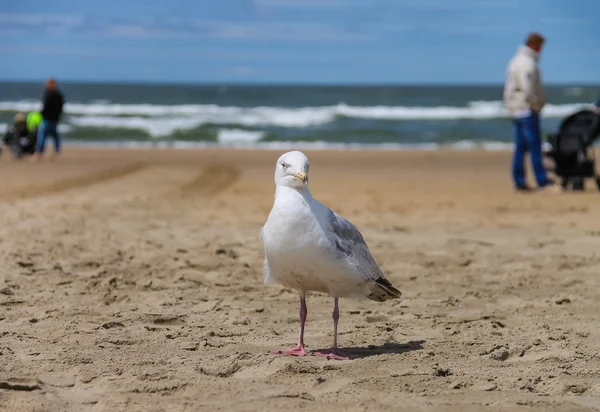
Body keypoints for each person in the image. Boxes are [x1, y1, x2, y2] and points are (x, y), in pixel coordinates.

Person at [503, 32, 556, 192]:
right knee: (535, 146)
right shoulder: (527, 63)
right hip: (526, 109)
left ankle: (519, 181)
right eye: (540, 47)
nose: (541, 51)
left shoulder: (515, 61)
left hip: (517, 110)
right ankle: (542, 181)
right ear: (534, 45)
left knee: (520, 147)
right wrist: (537, 104)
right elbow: (529, 88)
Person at [32, 77, 65, 162]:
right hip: (54, 118)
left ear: (52, 84)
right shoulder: (57, 94)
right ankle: (56, 151)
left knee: (42, 134)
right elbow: (60, 107)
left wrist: (41, 113)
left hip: (48, 118)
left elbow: (47, 106)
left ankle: (40, 153)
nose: (46, 85)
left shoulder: (51, 94)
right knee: (54, 135)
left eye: (48, 83)